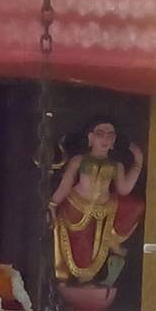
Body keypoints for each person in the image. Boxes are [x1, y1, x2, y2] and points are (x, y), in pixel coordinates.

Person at [49, 115, 144, 286]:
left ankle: (111, 244)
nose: (105, 139)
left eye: (110, 135)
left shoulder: (116, 165)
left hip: (102, 211)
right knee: (81, 252)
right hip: (76, 208)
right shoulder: (79, 160)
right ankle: (69, 279)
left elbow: (124, 189)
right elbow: (66, 185)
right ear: (90, 137)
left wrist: (138, 162)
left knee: (134, 206)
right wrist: (53, 204)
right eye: (100, 134)